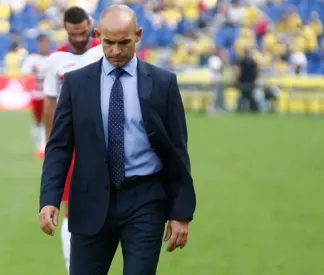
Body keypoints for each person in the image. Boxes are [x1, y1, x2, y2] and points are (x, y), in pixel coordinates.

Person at [39, 5, 196, 275]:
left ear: (138, 35)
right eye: (108, 42)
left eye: (124, 42)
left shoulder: (162, 83)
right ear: (98, 35)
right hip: (90, 200)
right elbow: (59, 147)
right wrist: (49, 199)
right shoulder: (76, 84)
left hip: (145, 200)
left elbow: (177, 151)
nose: (115, 51)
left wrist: (181, 212)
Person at [40, 6, 103, 273]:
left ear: (90, 25)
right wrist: (51, 147)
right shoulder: (56, 60)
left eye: (82, 32)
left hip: (104, 139)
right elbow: (50, 105)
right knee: (70, 204)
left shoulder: (104, 50)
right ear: (65, 30)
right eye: (73, 33)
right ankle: (72, 265)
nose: (78, 38)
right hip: (73, 140)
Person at [20, 34, 51, 159]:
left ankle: (44, 148)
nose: (44, 45)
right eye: (41, 43)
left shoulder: (53, 57)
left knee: (49, 122)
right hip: (38, 94)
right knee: (37, 122)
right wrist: (34, 70)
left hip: (51, 95)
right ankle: (39, 146)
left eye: (46, 43)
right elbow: (24, 71)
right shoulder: (33, 58)